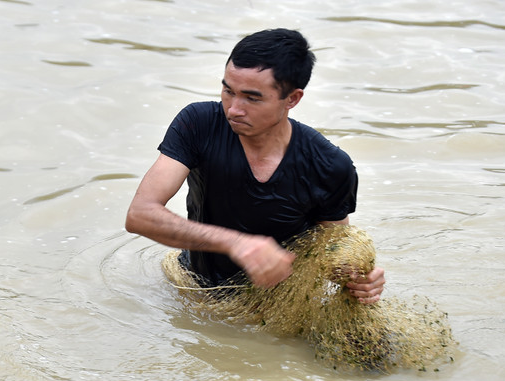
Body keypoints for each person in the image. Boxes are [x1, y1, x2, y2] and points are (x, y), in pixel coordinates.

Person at [125, 28, 385, 304]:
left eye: (252, 98)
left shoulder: (329, 165)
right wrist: (235, 243)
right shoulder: (199, 123)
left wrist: (361, 282)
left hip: (279, 306)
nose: (234, 109)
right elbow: (140, 215)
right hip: (195, 286)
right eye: (228, 91)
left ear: (293, 99)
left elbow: (332, 252)